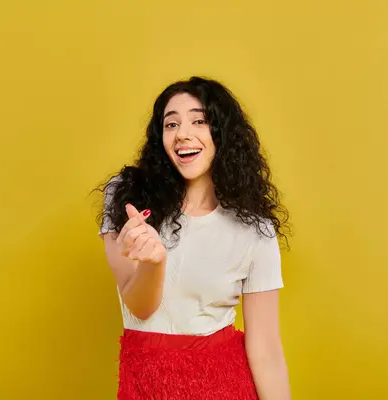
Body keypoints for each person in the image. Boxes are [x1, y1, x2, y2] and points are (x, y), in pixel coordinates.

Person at [97, 76, 291, 399]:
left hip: (225, 385)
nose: (182, 133)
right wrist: (154, 262)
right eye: (171, 124)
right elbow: (140, 307)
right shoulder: (126, 198)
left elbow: (267, 351)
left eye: (199, 120)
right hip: (145, 386)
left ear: (222, 133)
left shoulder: (255, 230)